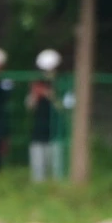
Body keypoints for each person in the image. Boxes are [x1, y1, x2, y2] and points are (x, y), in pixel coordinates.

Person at [26, 49, 74, 183]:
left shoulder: (65, 84)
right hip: (38, 130)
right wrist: (34, 95)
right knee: (38, 171)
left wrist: (52, 96)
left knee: (57, 169)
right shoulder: (36, 83)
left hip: (56, 133)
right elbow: (30, 107)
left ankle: (57, 189)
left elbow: (66, 108)